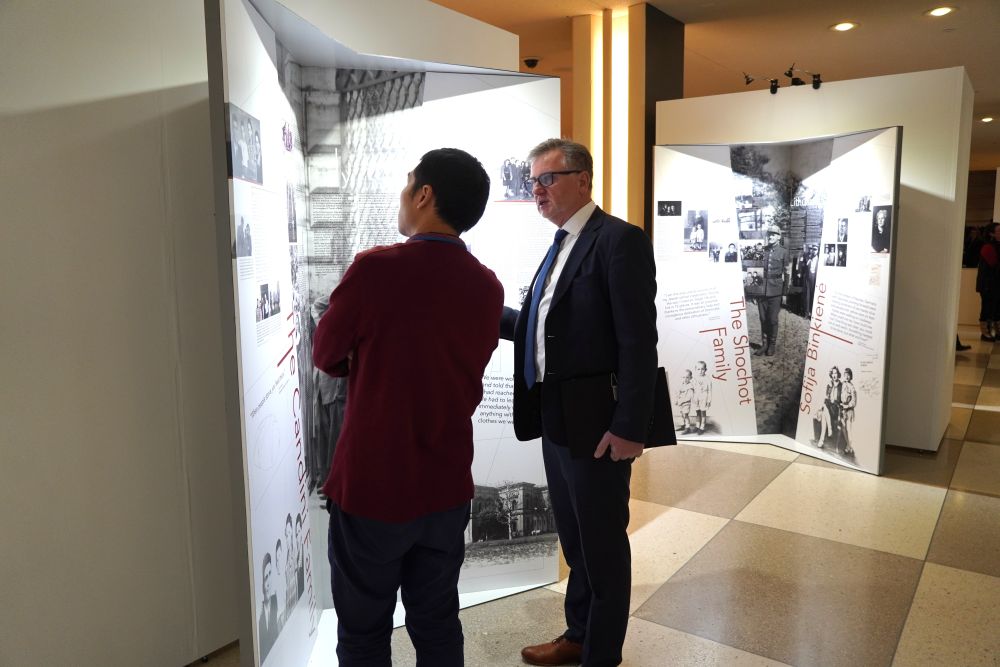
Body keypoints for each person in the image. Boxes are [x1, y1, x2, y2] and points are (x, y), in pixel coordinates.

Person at [312, 148, 503, 666]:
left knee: (363, 630)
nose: (402, 196)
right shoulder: (487, 286)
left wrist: (369, 360)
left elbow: (326, 355)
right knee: (437, 621)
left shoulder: (376, 269)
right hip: (445, 482)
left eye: (407, 185)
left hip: (373, 483)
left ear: (424, 195)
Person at [499, 138, 658, 667]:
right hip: (557, 419)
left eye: (548, 179)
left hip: (599, 422)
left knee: (603, 545)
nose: (536, 191)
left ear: (583, 180)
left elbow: (638, 340)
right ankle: (578, 633)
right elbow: (542, 327)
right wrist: (481, 310)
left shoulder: (618, 241)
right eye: (533, 181)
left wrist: (631, 424)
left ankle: (601, 654)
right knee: (574, 536)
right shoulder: (560, 243)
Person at [753, 224, 787, 357]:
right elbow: (756, 271)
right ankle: (764, 344)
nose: (771, 236)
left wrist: (784, 293)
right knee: (762, 318)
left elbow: (787, 273)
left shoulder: (783, 252)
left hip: (776, 291)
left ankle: (772, 345)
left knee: (772, 319)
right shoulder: (763, 251)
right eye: (770, 234)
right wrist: (755, 292)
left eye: (774, 234)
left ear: (779, 237)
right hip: (762, 291)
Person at [976, 222, 1000, 342]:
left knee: (997, 308)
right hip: (988, 285)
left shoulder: (997, 246)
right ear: (992, 234)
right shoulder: (988, 247)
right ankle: (985, 333)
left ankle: (996, 331)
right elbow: (995, 266)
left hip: (995, 284)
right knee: (987, 308)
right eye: (999, 231)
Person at [258, 553, 279, 660]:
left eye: (270, 574)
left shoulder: (276, 602)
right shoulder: (259, 618)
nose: (268, 583)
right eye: (265, 577)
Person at [691, 360, 712, 435]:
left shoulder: (708, 379)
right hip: (696, 397)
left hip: (704, 397)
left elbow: (709, 390)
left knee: (703, 412)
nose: (700, 371)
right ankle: (697, 426)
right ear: (695, 370)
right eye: (698, 369)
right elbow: (692, 388)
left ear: (705, 370)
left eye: (702, 369)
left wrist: (709, 400)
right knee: (697, 412)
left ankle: (702, 427)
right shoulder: (694, 379)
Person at [840, 368, 857, 456]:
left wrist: (847, 405)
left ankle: (850, 446)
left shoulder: (852, 387)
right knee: (843, 428)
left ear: (851, 376)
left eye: (848, 375)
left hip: (849, 410)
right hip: (843, 409)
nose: (847, 376)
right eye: (845, 374)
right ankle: (848, 445)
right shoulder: (842, 385)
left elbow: (854, 402)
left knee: (848, 429)